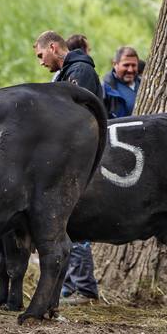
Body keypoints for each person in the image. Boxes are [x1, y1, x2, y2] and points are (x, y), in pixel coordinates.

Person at [34, 30, 101, 303]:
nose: (40, 62)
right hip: (70, 154)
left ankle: (84, 288)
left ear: (53, 47)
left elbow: (74, 114)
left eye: (41, 55)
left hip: (79, 154)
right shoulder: (69, 72)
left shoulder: (81, 71)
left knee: (75, 221)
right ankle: (71, 287)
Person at [35, 30, 103, 99]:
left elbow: (77, 108)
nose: (41, 63)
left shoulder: (80, 70)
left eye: (41, 55)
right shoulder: (63, 74)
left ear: (52, 48)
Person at [101, 46, 140, 119]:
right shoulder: (104, 90)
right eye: (126, 65)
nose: (130, 70)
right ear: (115, 64)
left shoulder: (144, 85)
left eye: (134, 65)